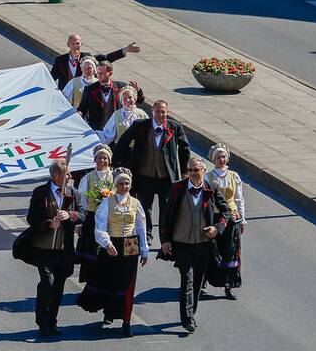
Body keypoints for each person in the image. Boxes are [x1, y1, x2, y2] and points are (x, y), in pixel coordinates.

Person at [159, 156, 231, 334]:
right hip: (181, 243)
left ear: (203, 171)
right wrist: (165, 240)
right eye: (189, 170)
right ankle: (187, 318)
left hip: (203, 244)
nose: (191, 173)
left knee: (198, 281)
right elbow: (166, 216)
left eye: (195, 170)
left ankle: (192, 312)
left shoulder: (211, 189)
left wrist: (217, 228)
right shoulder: (178, 187)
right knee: (187, 279)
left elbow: (226, 211)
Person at [76, 167, 149, 337]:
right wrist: (106, 243)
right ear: (116, 185)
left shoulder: (136, 204)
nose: (124, 186)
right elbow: (100, 225)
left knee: (128, 283)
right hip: (113, 243)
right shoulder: (107, 202)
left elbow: (141, 227)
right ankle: (109, 311)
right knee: (110, 278)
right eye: (121, 183)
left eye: (127, 183)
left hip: (130, 244)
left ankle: (126, 321)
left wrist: (144, 250)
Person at [115, 100, 191, 244]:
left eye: (163, 112)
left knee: (166, 209)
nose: (160, 114)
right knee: (145, 208)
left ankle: (165, 240)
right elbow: (123, 142)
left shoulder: (175, 127)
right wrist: (122, 163)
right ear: (152, 112)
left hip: (166, 177)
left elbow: (185, 148)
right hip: (144, 176)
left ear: (167, 113)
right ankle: (147, 235)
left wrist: (184, 171)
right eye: (157, 111)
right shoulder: (140, 126)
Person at [23, 160, 84, 338]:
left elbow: (83, 215)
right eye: (67, 174)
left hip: (64, 250)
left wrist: (70, 215)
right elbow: (32, 218)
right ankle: (42, 323)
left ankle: (52, 322)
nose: (71, 177)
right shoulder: (40, 192)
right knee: (47, 283)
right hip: (44, 248)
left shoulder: (75, 194)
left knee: (58, 286)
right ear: (55, 176)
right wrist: (50, 223)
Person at [203, 144, 246, 299]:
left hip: (232, 217)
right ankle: (204, 280)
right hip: (216, 217)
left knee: (231, 250)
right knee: (212, 249)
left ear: (227, 158)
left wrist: (242, 219)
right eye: (218, 157)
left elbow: (238, 198)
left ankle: (229, 284)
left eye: (223, 157)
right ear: (213, 160)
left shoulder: (234, 176)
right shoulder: (208, 177)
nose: (221, 160)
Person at [75, 144, 115, 281]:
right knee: (92, 249)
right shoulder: (88, 177)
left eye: (105, 158)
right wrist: (80, 223)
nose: (102, 161)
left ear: (109, 160)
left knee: (108, 247)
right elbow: (82, 200)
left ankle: (106, 279)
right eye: (99, 158)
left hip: (111, 218)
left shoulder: (115, 176)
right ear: (95, 159)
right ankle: (91, 279)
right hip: (92, 217)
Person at [50, 32, 139, 90]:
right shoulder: (60, 60)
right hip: (66, 96)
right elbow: (50, 78)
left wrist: (124, 50)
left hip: (85, 94)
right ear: (68, 44)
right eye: (72, 43)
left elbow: (106, 58)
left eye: (77, 43)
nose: (75, 46)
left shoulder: (87, 58)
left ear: (81, 44)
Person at [77, 61, 145, 132]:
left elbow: (140, 101)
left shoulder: (121, 87)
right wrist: (79, 113)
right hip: (97, 130)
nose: (99, 75)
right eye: (98, 72)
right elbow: (82, 109)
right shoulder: (89, 89)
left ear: (110, 73)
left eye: (102, 73)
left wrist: (139, 90)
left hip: (116, 130)